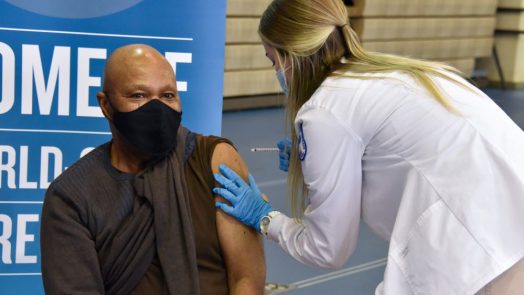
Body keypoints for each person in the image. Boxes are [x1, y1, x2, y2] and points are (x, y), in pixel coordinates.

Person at [213, 0, 524, 294]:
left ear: (289, 57)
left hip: (482, 254)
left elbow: (327, 249)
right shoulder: (400, 73)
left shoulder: (324, 111)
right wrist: (321, 161)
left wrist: (265, 217)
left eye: (273, 62)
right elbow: (400, 151)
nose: (277, 75)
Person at [40, 44, 265, 295]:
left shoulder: (213, 160)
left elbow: (247, 279)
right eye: (138, 95)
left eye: (168, 95)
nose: (157, 109)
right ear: (106, 105)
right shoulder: (72, 196)